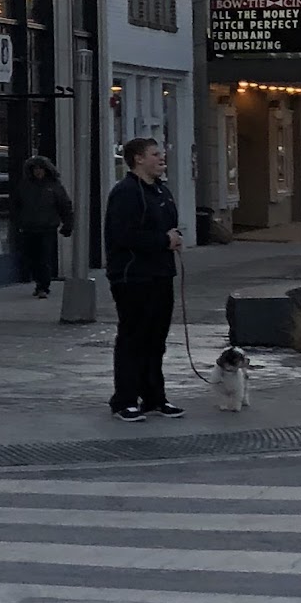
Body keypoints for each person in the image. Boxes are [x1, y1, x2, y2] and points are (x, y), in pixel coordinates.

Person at [104, 136, 184, 421]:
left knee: (156, 338)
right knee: (133, 337)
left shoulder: (161, 191)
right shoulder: (125, 192)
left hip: (161, 273)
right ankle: (124, 400)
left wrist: (174, 238)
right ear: (138, 159)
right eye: (154, 154)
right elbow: (122, 235)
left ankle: (154, 397)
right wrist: (163, 240)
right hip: (132, 276)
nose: (161, 158)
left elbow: (169, 226)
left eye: (161, 154)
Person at [14, 154, 75, 299]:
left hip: (47, 228)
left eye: (41, 169)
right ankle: (38, 283)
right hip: (29, 227)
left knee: (44, 258)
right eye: (35, 169)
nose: (38, 172)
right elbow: (17, 206)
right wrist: (18, 223)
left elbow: (65, 206)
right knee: (32, 258)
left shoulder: (54, 186)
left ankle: (43, 286)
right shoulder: (25, 186)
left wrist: (68, 224)